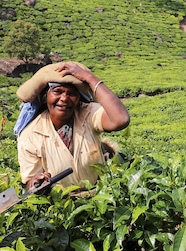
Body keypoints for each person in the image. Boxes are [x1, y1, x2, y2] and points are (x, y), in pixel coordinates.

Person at [15, 61, 130, 193]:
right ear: (45, 97)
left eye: (71, 94)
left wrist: (89, 78)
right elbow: (30, 183)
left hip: (101, 196)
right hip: (64, 204)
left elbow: (121, 119)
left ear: (78, 99)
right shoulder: (30, 135)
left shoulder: (88, 113)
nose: (64, 98)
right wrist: (36, 183)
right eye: (57, 91)